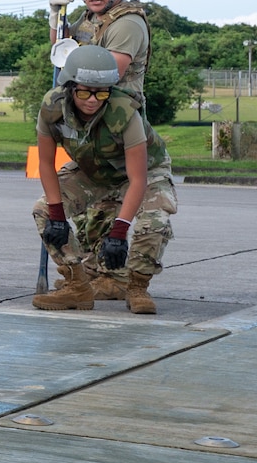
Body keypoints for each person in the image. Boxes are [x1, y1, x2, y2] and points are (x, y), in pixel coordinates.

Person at [30, 45, 174, 314]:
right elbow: (46, 164)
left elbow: (138, 178)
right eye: (84, 91)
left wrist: (119, 231)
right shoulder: (52, 108)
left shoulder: (125, 111)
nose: (93, 100)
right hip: (92, 169)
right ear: (70, 87)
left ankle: (136, 287)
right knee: (45, 211)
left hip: (145, 171)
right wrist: (59, 214)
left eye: (102, 92)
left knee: (154, 222)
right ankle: (77, 286)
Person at [50, 0, 148, 106]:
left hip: (117, 111)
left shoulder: (127, 24)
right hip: (85, 104)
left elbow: (108, 76)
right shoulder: (91, 17)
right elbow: (62, 46)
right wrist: (56, 16)